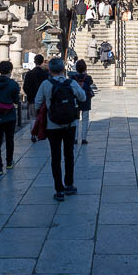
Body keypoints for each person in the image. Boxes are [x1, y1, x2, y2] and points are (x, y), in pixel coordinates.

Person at [35, 57, 87, 201]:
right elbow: (82, 97)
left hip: (53, 124)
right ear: (64, 69)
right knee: (69, 154)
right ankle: (69, 184)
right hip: (70, 124)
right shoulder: (71, 83)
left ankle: (59, 189)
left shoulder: (46, 84)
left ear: (50, 70)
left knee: (55, 156)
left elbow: (37, 102)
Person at [23, 54, 49, 142]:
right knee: (43, 116)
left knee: (33, 117)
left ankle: (33, 134)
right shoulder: (45, 74)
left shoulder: (29, 74)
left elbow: (25, 87)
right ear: (42, 62)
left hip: (32, 99)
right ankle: (42, 133)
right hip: (43, 100)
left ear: (34, 62)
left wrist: (30, 95)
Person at [70, 59, 94, 145]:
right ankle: (84, 138)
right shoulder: (88, 78)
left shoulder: (73, 78)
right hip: (86, 99)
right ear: (85, 68)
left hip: (76, 99)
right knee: (85, 119)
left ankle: (75, 138)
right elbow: (91, 84)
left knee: (76, 119)